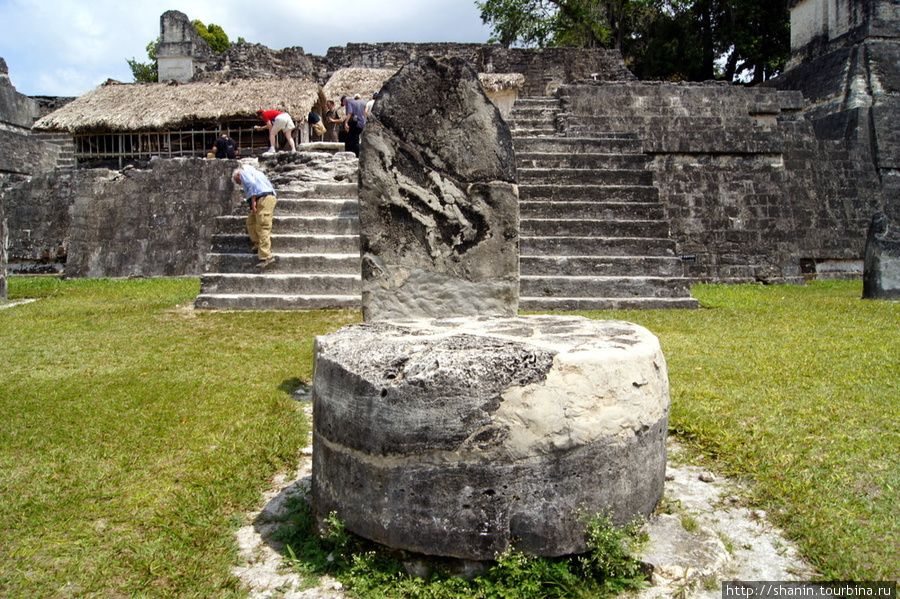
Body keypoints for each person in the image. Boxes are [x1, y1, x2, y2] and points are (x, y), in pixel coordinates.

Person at [232, 164, 278, 269]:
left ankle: (265, 256)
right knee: (251, 221)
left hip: (264, 198)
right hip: (262, 198)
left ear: (238, 177)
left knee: (263, 226)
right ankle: (258, 245)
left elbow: (252, 184)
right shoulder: (254, 172)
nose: (240, 184)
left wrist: (253, 201)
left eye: (238, 182)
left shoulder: (243, 173)